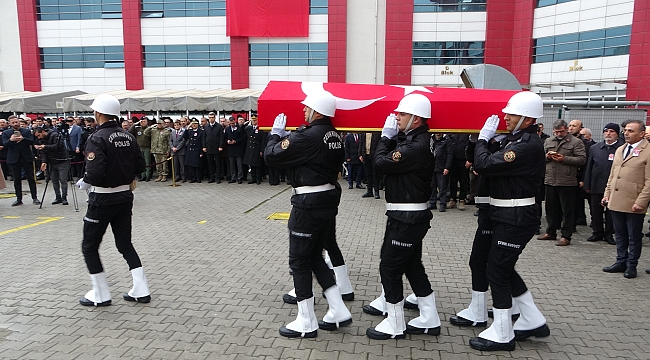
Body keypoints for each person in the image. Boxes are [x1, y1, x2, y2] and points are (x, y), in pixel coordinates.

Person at [265, 90, 352, 339]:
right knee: (314, 257)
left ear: (317, 111)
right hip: (326, 200)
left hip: (308, 204)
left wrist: (275, 136)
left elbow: (272, 156)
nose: (303, 111)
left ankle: (306, 320)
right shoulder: (333, 134)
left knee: (299, 262)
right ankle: (337, 308)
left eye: (307, 108)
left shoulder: (308, 136)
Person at [470, 91, 550, 351]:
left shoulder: (526, 145)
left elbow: (483, 164)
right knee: (503, 267)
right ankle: (532, 319)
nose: (505, 117)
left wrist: (482, 140)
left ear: (527, 119)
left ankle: (503, 332)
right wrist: (491, 142)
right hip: (507, 215)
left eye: (512, 114)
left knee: (497, 270)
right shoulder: (515, 140)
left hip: (516, 217)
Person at [365, 93, 441, 340]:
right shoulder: (417, 140)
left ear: (416, 119)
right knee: (411, 265)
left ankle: (395, 322)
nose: (397, 117)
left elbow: (379, 163)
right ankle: (429, 317)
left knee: (389, 266)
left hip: (407, 216)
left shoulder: (414, 146)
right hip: (407, 213)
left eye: (403, 114)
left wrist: (385, 139)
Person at [76, 93, 150, 307]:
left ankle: (100, 293)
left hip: (102, 199)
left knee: (89, 246)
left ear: (98, 112)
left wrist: (86, 181)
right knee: (125, 244)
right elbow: (140, 167)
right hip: (125, 196)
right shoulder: (129, 136)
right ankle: (141, 289)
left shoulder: (96, 138)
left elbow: (96, 172)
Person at [602, 120, 650, 279]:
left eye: (630, 131)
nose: (626, 133)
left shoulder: (648, 151)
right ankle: (620, 261)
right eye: (625, 130)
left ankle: (631, 265)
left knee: (633, 236)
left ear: (642, 133)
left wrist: (641, 201)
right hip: (616, 199)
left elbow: (649, 181)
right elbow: (613, 174)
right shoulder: (621, 149)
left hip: (633, 201)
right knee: (620, 235)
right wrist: (607, 193)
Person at [537, 120, 586, 246]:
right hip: (550, 179)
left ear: (567, 130)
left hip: (567, 181)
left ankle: (566, 236)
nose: (559, 133)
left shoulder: (576, 142)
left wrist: (564, 159)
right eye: (556, 131)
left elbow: (581, 159)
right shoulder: (548, 141)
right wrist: (547, 157)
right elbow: (539, 159)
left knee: (567, 210)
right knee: (550, 209)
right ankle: (551, 232)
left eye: (561, 131)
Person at [583, 123, 623, 245]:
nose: (608, 134)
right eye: (606, 131)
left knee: (611, 211)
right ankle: (597, 232)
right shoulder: (595, 148)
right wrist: (587, 184)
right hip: (597, 184)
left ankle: (609, 233)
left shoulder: (622, 148)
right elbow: (589, 166)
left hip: (613, 186)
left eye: (611, 131)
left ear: (617, 133)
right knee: (596, 210)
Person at [1, 115, 40, 206]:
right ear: (10, 124)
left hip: (26, 158)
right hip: (14, 159)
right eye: (13, 123)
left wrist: (23, 139)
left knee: (31, 179)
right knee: (17, 180)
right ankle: (19, 198)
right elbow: (5, 145)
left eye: (16, 122)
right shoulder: (6, 133)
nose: (15, 124)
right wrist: (11, 140)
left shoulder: (26, 131)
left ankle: (34, 197)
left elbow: (32, 141)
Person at [34, 126, 71, 205]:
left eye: (39, 135)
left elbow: (59, 146)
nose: (38, 137)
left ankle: (64, 197)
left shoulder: (56, 135)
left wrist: (45, 146)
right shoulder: (41, 140)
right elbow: (43, 152)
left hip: (62, 160)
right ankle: (58, 196)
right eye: (37, 136)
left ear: (43, 131)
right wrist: (44, 161)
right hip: (51, 161)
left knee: (63, 180)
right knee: (54, 180)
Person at [243, 115, 266, 184]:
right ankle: (253, 178)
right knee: (251, 164)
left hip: (257, 148)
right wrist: (244, 124)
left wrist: (262, 150)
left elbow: (263, 141)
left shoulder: (261, 129)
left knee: (257, 164)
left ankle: (258, 178)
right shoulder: (249, 128)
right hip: (250, 148)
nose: (254, 121)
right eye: (252, 120)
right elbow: (241, 131)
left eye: (255, 120)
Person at [202, 112, 223, 184]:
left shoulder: (219, 126)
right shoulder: (206, 126)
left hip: (216, 147)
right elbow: (204, 137)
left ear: (215, 118)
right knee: (210, 164)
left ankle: (218, 178)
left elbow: (221, 137)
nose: (211, 119)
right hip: (208, 147)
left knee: (217, 163)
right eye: (210, 117)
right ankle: (211, 177)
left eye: (212, 117)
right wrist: (204, 146)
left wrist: (220, 146)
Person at [129, 117, 152, 181]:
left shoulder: (149, 129)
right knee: (141, 162)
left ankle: (148, 175)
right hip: (139, 148)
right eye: (141, 121)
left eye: (144, 121)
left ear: (147, 121)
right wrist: (136, 123)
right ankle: (143, 175)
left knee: (147, 162)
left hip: (147, 147)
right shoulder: (137, 129)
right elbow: (130, 131)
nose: (143, 123)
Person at [359, 132, 381, 199]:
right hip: (366, 156)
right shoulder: (363, 133)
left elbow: (379, 144)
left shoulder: (377, 133)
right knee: (368, 175)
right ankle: (369, 191)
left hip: (374, 156)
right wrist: (360, 154)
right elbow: (361, 143)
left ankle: (376, 192)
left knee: (375, 175)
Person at [225, 117, 245, 184]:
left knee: (239, 164)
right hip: (230, 149)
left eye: (232, 123)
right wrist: (227, 141)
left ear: (235, 121)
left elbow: (243, 137)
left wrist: (236, 141)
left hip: (238, 148)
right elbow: (225, 137)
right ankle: (233, 177)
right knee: (232, 165)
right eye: (230, 123)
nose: (231, 124)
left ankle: (240, 177)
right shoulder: (227, 129)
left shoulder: (239, 128)